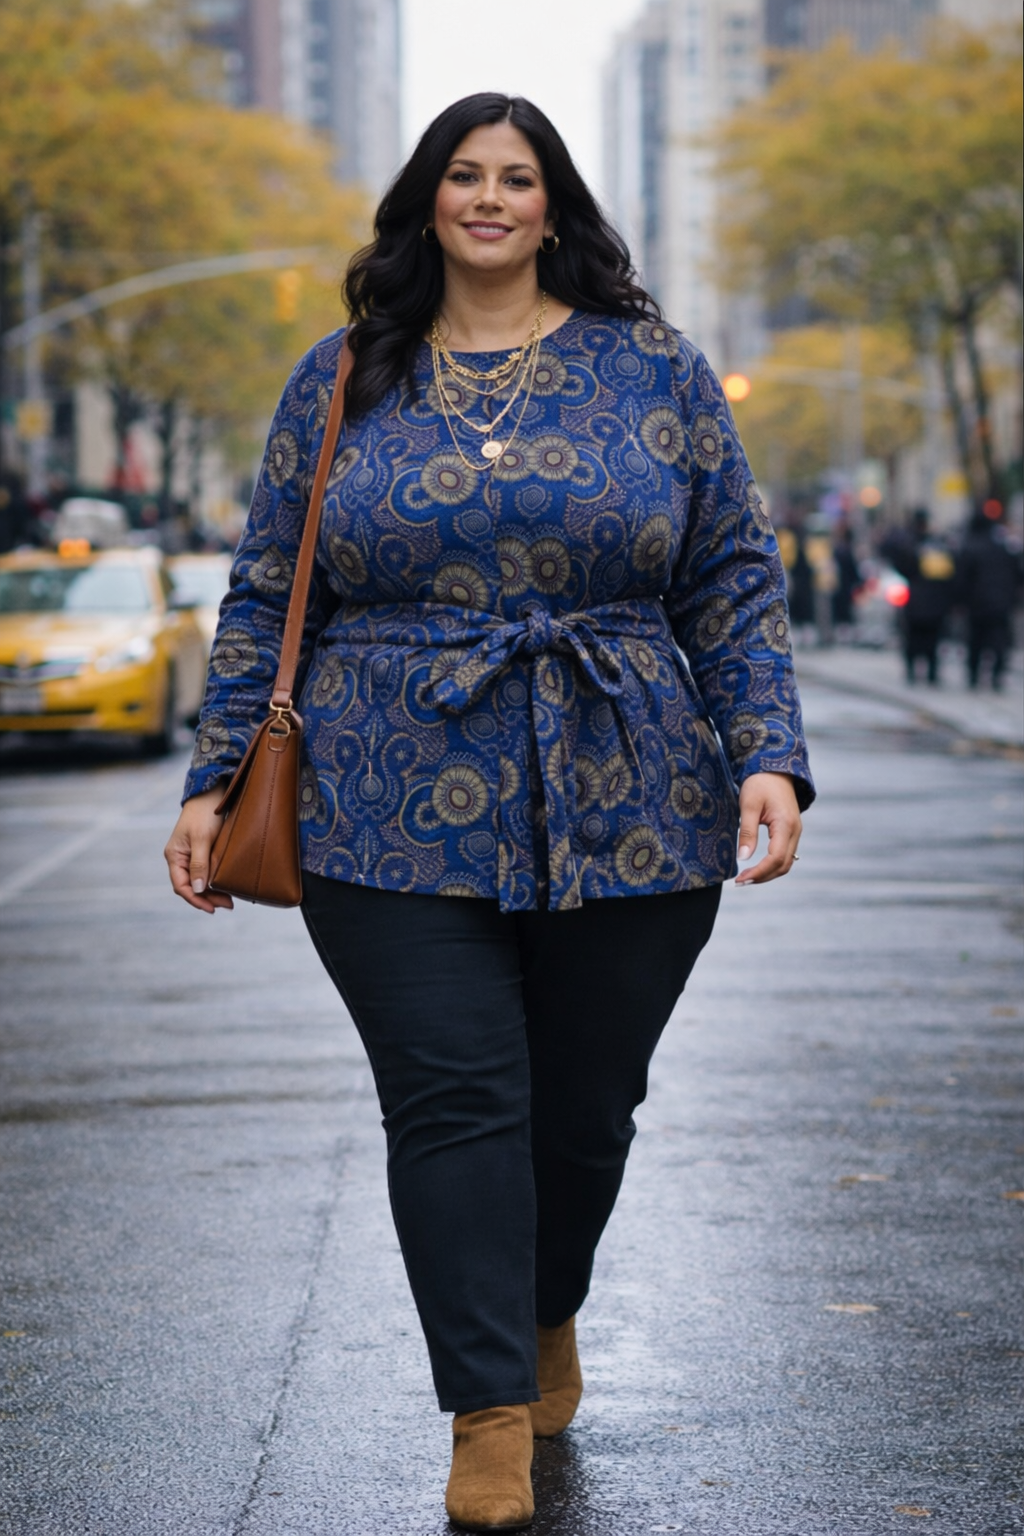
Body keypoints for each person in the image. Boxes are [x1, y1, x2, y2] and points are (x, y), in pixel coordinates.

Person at [164, 94, 813, 1533]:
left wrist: (766, 750)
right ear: (428, 199)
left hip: (634, 784)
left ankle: (545, 1306)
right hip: (382, 794)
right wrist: (213, 781)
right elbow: (271, 591)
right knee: (456, 1100)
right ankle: (488, 1409)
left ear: (553, 202)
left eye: (518, 177)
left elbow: (730, 574)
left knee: (586, 1110)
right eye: (465, 174)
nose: (490, 197)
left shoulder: (655, 369)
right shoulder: (340, 377)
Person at [881, 508, 956, 684]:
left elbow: (900, 565)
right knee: (932, 639)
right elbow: (948, 574)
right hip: (935, 601)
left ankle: (913, 672)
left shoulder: (908, 543)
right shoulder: (937, 545)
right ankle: (931, 672)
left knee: (913, 638)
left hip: (915, 600)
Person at [956, 509, 1022, 690]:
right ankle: (997, 675)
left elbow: (961, 579)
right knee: (998, 640)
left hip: (977, 604)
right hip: (1001, 603)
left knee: (976, 640)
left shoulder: (969, 548)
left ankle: (974, 676)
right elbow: (1017, 575)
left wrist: (960, 602)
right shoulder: (1004, 549)